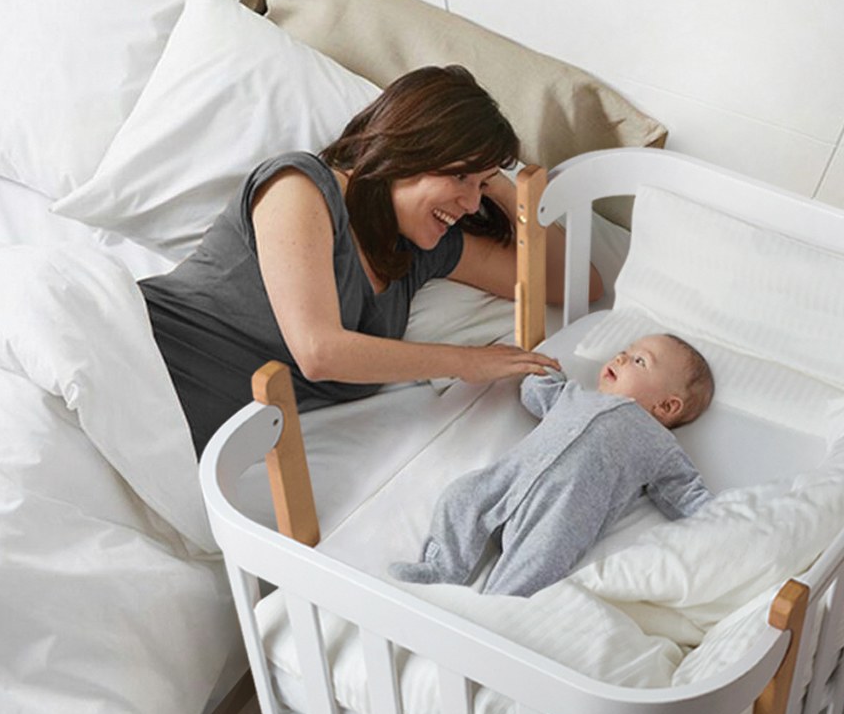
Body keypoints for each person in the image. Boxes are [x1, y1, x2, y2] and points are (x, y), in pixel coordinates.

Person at [140, 65, 597, 456]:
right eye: (459, 175)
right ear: (410, 149)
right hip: (143, 359)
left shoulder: (422, 250)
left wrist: (505, 186)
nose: (472, 203)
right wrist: (465, 362)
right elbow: (319, 352)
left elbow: (576, 282)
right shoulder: (300, 187)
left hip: (185, 445)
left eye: (480, 186)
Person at [389, 333, 715, 597]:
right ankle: (440, 570)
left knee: (538, 561)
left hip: (561, 513)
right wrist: (545, 367)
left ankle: (496, 612)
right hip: (508, 479)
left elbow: (686, 492)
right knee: (460, 497)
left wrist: (723, 521)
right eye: (625, 352)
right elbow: (534, 391)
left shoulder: (656, 442)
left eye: (639, 361)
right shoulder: (574, 395)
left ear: (666, 406)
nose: (620, 358)